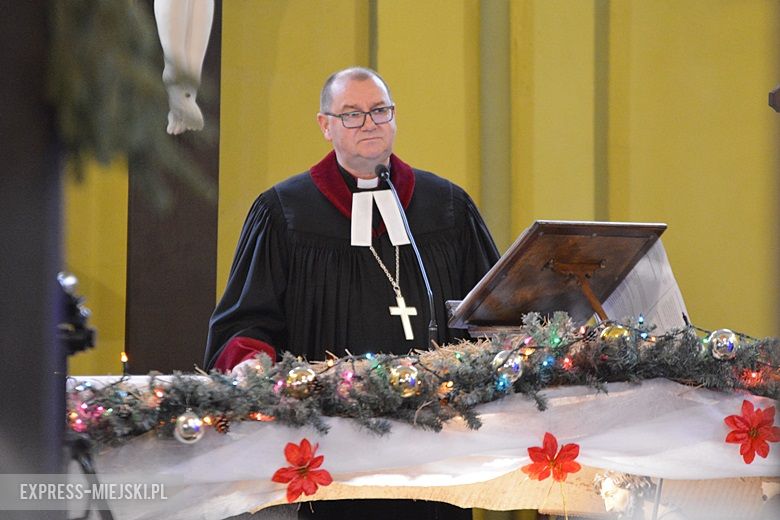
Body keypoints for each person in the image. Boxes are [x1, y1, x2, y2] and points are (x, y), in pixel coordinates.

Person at [205, 67, 500, 519]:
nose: (370, 123)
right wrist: (255, 370)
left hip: (437, 449)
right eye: (352, 114)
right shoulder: (284, 212)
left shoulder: (447, 207)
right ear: (325, 126)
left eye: (380, 111)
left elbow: (491, 313)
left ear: (394, 117)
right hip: (329, 447)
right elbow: (247, 322)